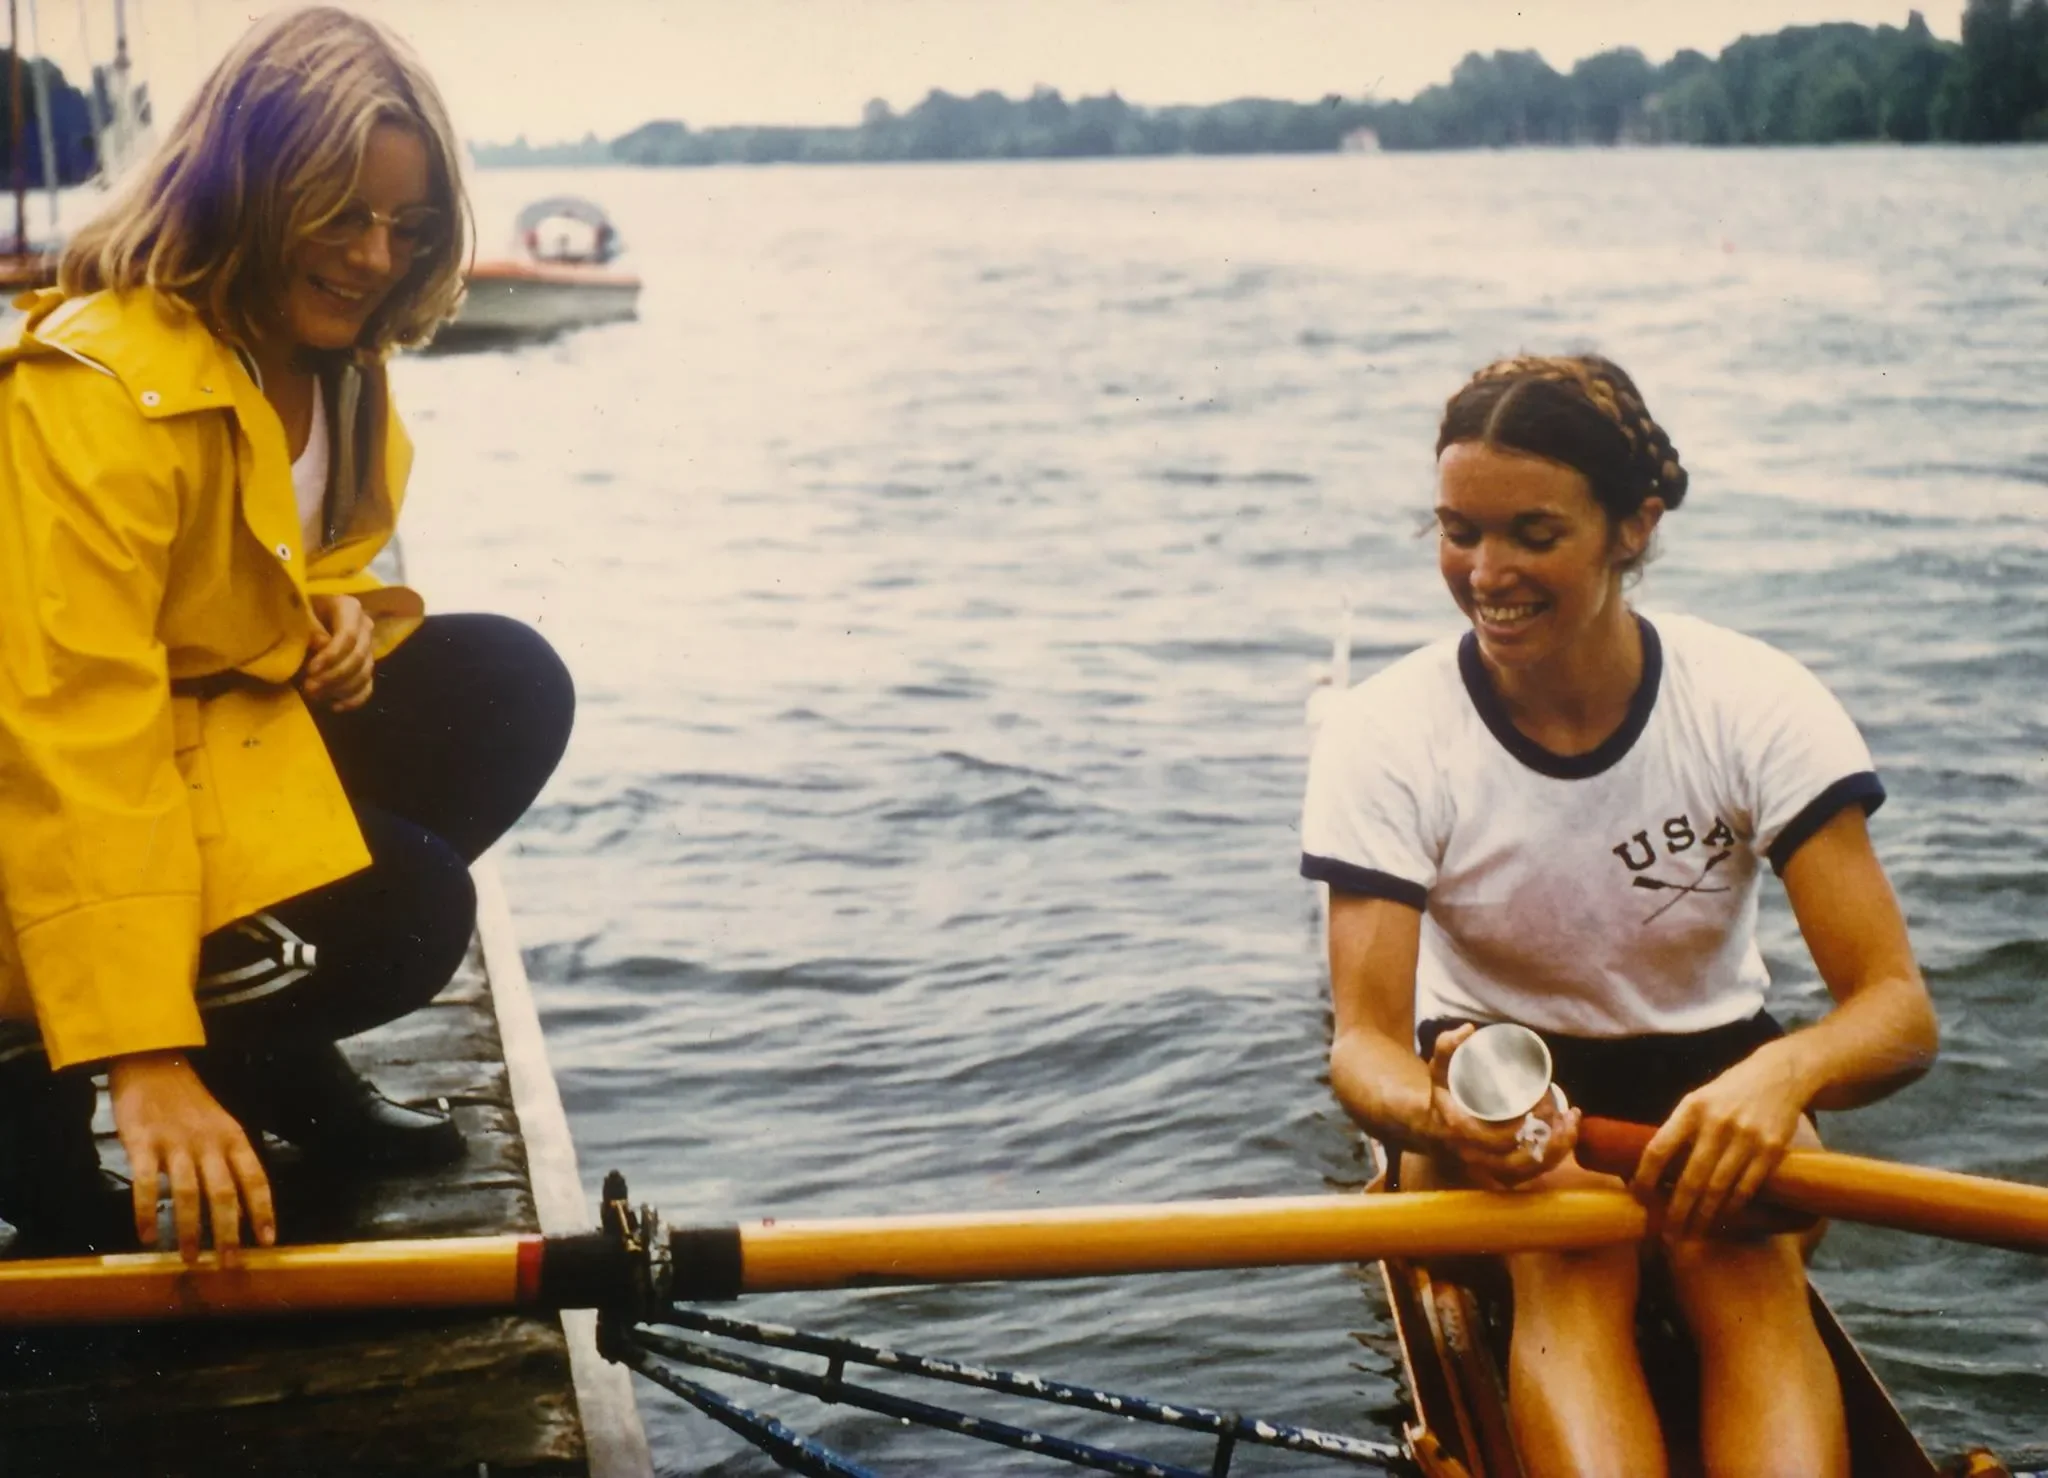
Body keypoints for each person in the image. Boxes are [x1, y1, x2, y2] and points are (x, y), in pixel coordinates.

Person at [0, 8, 573, 1262]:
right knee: (409, 909)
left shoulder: (337, 359)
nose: (375, 256)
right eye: (340, 216)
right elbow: (70, 727)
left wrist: (351, 612)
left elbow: (295, 556)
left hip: (212, 750)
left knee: (503, 680)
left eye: (404, 225)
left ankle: (272, 1063)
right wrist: (141, 1056)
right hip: (39, 830)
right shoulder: (93, 393)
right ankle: (32, 1077)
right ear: (250, 194)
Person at [1300, 354, 1938, 1476]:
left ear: (1631, 529)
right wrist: (1447, 1113)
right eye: (1457, 530)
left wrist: (1779, 1078)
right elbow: (1360, 1047)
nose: (1483, 572)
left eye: (1531, 534)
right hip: (1492, 1082)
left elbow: (1894, 1011)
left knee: (1735, 1252)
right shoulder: (1383, 731)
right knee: (1576, 1243)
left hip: (1712, 1077)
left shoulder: (1753, 699)